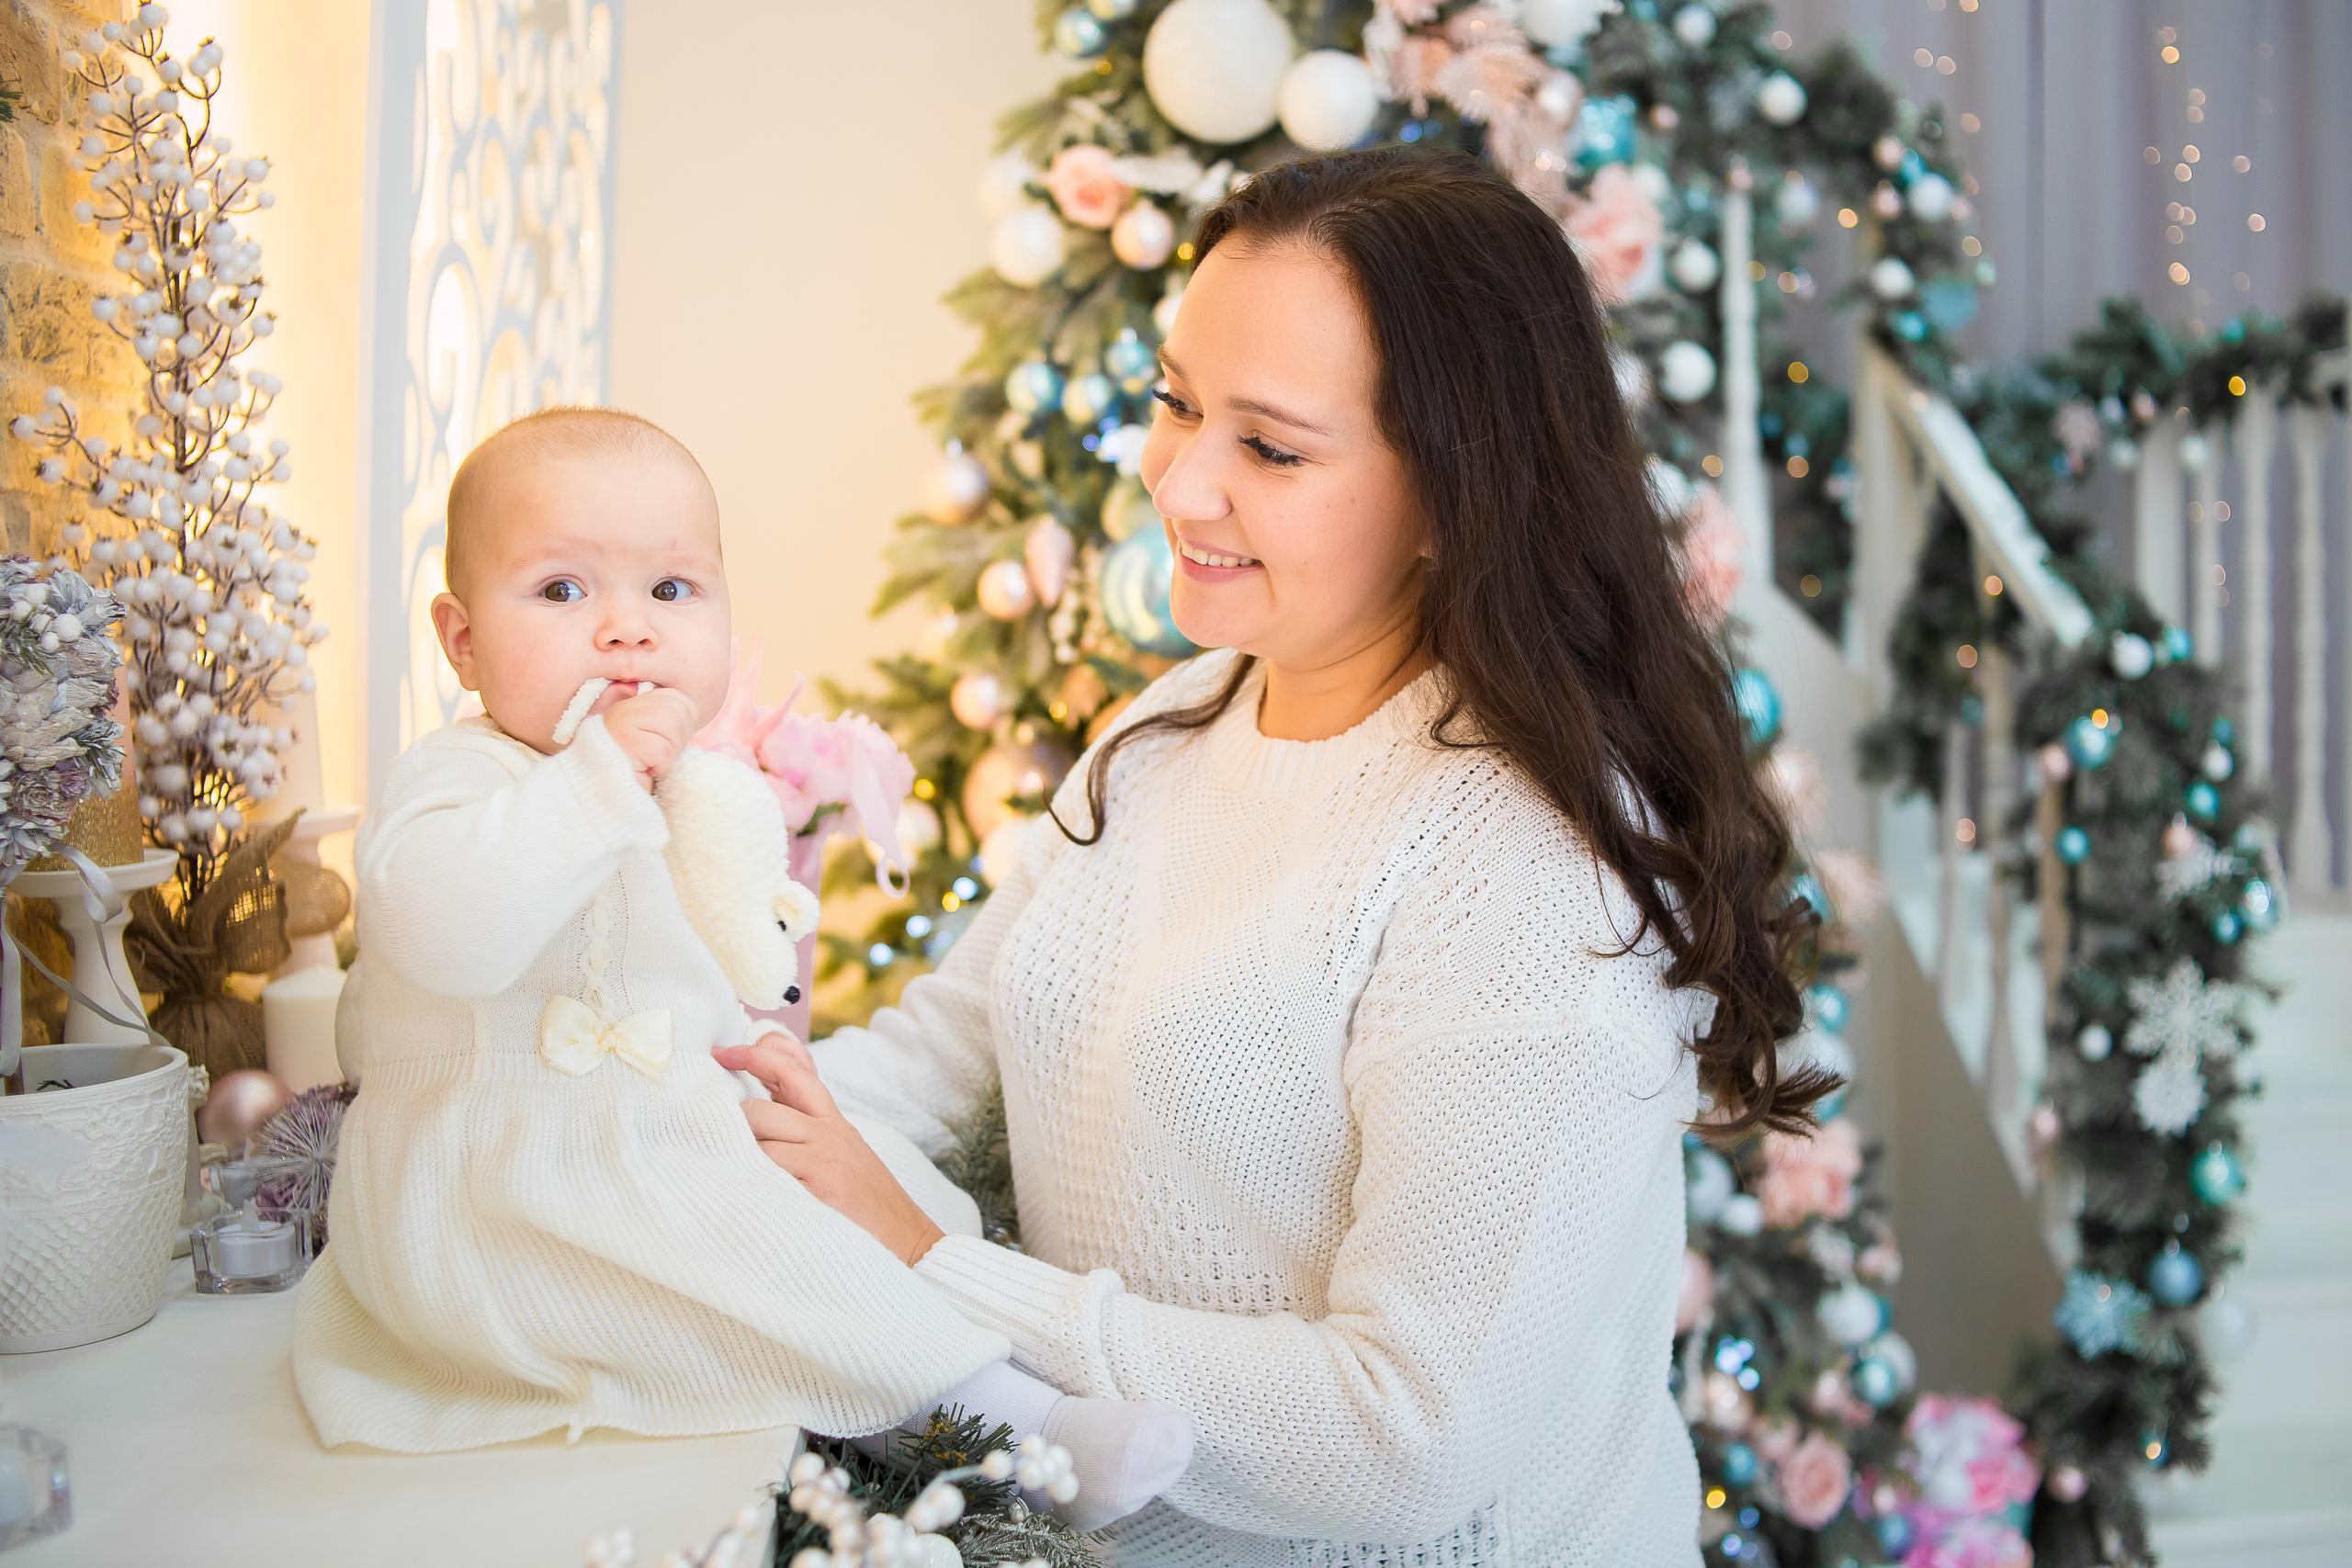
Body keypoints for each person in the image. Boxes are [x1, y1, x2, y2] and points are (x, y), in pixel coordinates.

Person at [723, 146, 1830, 1565]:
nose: (1180, 484)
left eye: (1273, 446)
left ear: (1454, 496)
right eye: (1177, 401)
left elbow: (1401, 1434)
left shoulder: (1530, 872)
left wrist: (945, 1273)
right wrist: (699, 1095)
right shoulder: (1177, 718)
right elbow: (947, 1052)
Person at [292, 408, 1193, 1530]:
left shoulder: (695, 789)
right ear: (462, 639)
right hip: (507, 1176)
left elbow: (728, 957)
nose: (626, 631)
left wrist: (752, 1037)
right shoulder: (457, 780)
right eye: (563, 592)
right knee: (767, 1271)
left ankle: (982, 1366)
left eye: (670, 592)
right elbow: (443, 933)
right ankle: (1015, 1436)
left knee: (891, 1204)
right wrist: (592, 786)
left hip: (650, 1124)